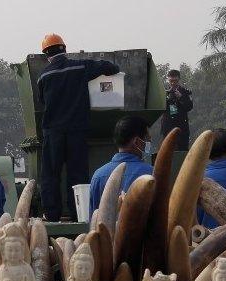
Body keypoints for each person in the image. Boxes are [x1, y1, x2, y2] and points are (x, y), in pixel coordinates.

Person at [37, 33, 120, 222]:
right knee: (77, 174)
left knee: (50, 174)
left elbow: (42, 101)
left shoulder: (44, 75)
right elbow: (110, 67)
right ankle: (79, 214)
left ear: (46, 54)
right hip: (77, 129)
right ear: (64, 49)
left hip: (53, 131)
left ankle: (51, 215)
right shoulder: (80, 66)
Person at [89, 116, 153, 215]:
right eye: (147, 139)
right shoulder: (150, 173)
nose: (149, 144)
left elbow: (93, 219)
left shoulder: (98, 176)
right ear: (136, 142)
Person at [160, 70, 193, 151]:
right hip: (167, 127)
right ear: (168, 80)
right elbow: (159, 108)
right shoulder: (164, 92)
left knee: (182, 151)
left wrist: (181, 97)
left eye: (175, 81)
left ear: (179, 80)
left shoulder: (185, 92)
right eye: (171, 81)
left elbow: (189, 107)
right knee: (168, 151)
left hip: (181, 128)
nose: (173, 83)